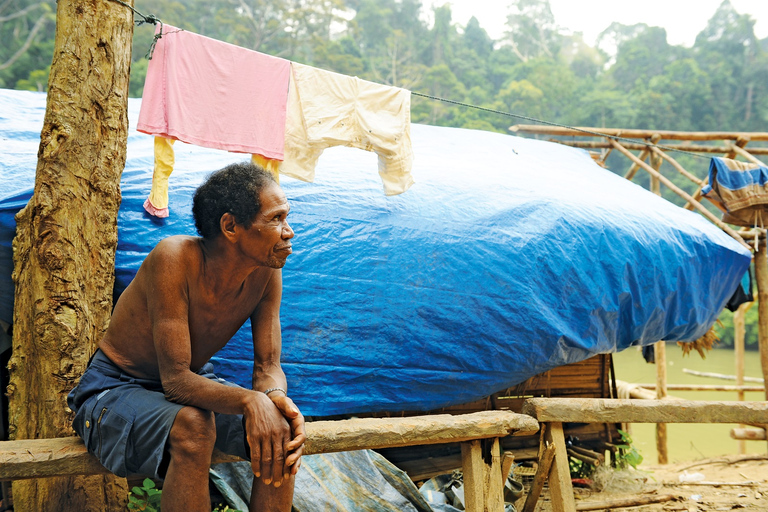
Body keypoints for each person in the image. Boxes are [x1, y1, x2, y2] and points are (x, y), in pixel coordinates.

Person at [67, 162, 304, 512]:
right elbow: (176, 381)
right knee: (194, 426)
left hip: (189, 387)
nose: (289, 232)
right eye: (276, 218)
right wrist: (249, 401)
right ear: (230, 226)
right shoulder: (175, 257)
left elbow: (268, 366)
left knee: (281, 431)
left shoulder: (266, 273)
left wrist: (275, 397)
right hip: (113, 390)